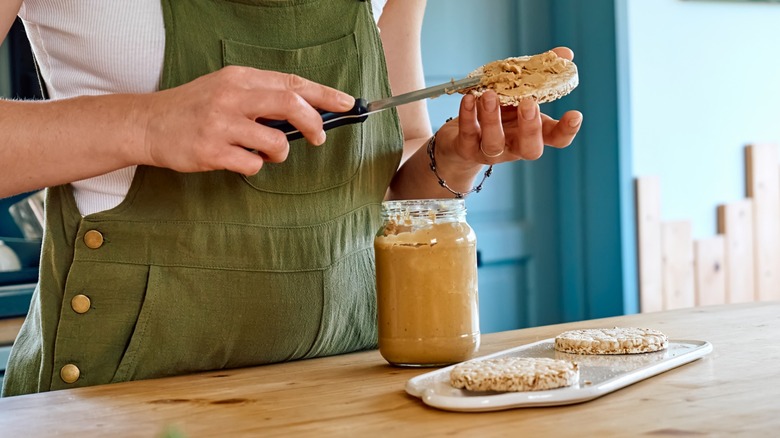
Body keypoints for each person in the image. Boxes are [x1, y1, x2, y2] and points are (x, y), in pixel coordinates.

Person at [0, 0, 582, 397]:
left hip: (349, 390)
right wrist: (145, 125)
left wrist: (452, 157)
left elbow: (393, 165)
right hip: (121, 398)